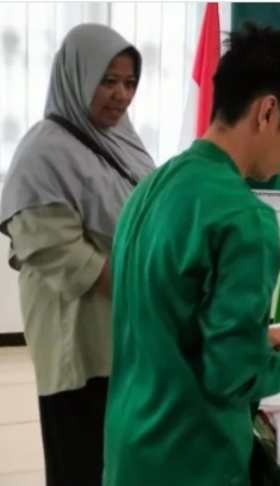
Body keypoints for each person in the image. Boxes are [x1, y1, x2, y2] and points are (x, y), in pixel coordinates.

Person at [103, 23, 280, 486]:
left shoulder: (154, 184)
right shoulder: (244, 217)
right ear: (267, 112)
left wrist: (256, 332)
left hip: (130, 446)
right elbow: (233, 377)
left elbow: (162, 309)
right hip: (193, 458)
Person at [0, 24, 155, 486]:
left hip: (124, 329)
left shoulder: (121, 136)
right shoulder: (43, 151)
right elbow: (60, 253)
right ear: (76, 75)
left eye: (129, 82)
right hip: (80, 338)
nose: (121, 95)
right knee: (80, 459)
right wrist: (150, 286)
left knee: (116, 458)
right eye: (107, 80)